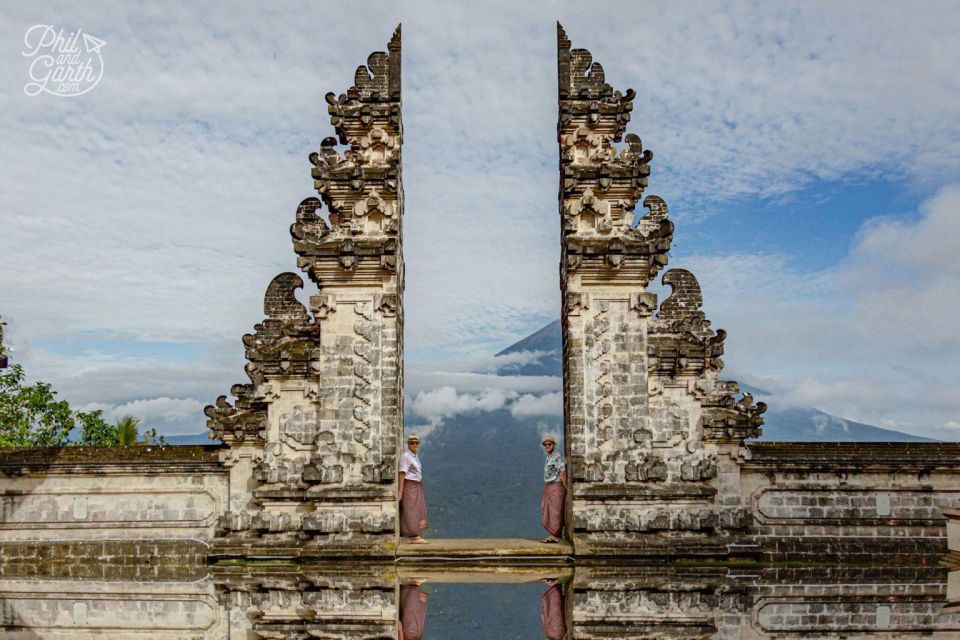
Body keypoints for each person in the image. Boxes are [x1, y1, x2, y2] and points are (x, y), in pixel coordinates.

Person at [399, 434, 429, 544]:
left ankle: (412, 534)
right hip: (409, 486)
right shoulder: (406, 456)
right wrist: (400, 491)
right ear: (408, 444)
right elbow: (402, 473)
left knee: (416, 509)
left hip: (416, 485)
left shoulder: (414, 456)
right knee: (410, 510)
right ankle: (413, 536)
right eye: (412, 443)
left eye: (416, 443)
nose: (415, 445)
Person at [540, 434, 567, 543]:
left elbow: (562, 471)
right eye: (545, 444)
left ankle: (556, 534)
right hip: (549, 486)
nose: (547, 446)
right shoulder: (548, 457)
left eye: (549, 444)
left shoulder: (557, 456)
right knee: (550, 510)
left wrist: (566, 487)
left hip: (557, 486)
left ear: (554, 445)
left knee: (556, 510)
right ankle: (552, 535)